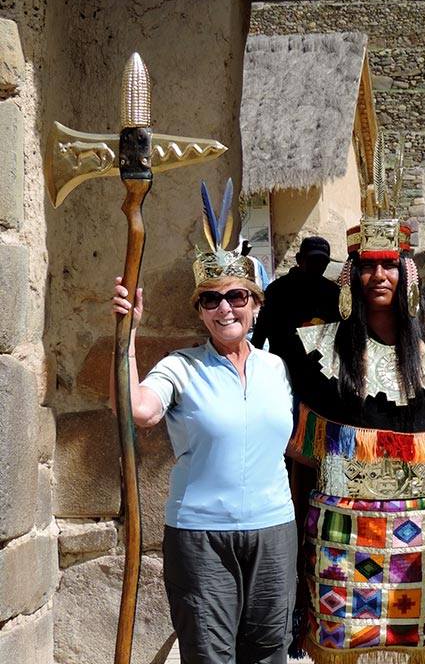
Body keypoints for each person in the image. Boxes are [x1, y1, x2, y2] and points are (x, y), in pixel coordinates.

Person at [110, 180, 296, 664]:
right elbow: (139, 410)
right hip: (200, 537)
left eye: (236, 296)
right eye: (210, 300)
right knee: (209, 655)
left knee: (269, 651)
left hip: (274, 530)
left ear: (256, 304)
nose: (224, 308)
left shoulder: (276, 368)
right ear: (200, 311)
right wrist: (128, 336)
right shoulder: (181, 366)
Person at [286, 216, 425, 664]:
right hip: (343, 532)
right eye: (367, 266)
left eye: (389, 266)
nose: (379, 276)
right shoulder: (317, 346)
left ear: (408, 273)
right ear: (352, 275)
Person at [251, 235, 339, 360]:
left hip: (320, 365)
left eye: (322, 262)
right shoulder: (277, 290)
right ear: (299, 259)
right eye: (312, 260)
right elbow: (260, 331)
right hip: (285, 363)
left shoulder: (332, 292)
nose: (317, 266)